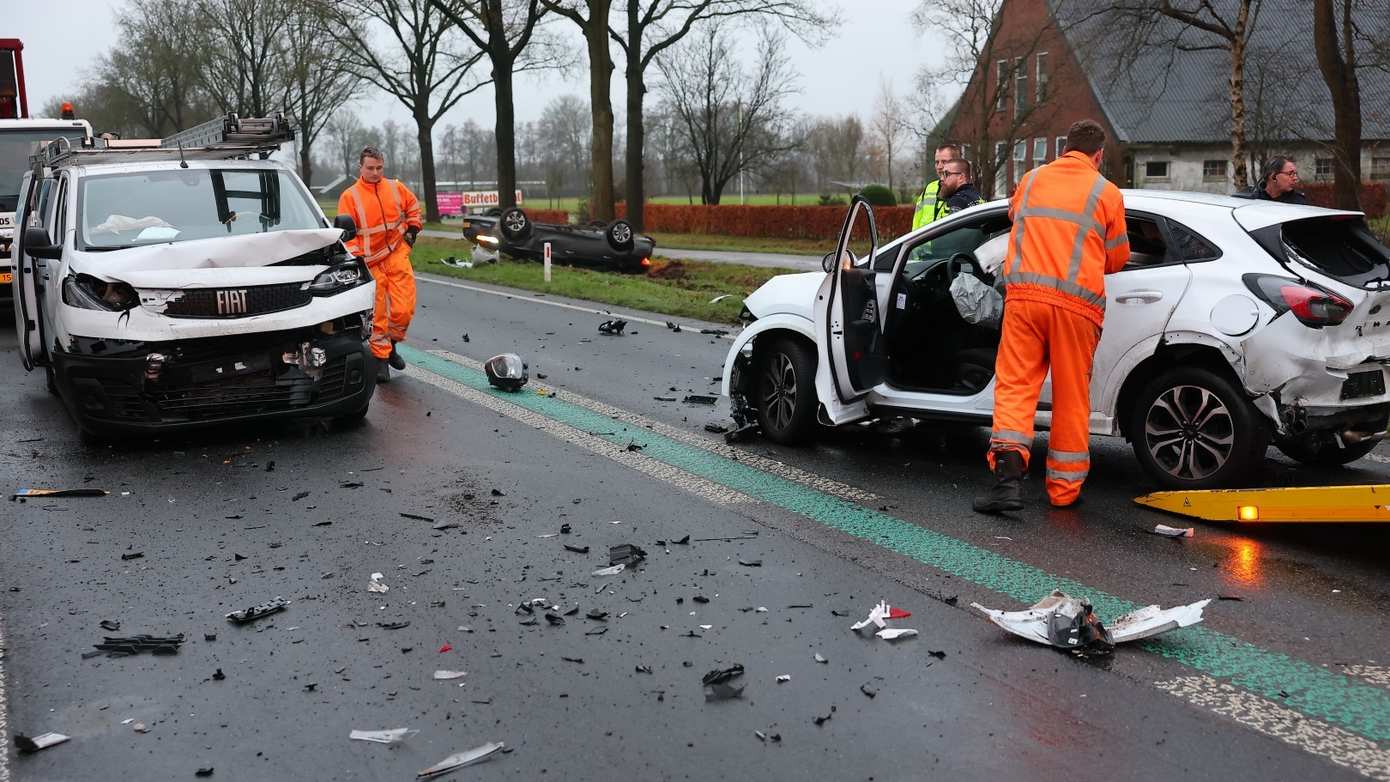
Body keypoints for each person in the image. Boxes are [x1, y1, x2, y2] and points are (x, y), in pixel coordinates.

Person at [973, 119, 1130, 514]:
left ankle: (1006, 481)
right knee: (1072, 399)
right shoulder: (1107, 193)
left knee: (1016, 387)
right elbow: (1117, 258)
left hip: (1025, 300)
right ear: (1097, 155)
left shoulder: (1032, 180)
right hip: (1077, 309)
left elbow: (1014, 217)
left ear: (1065, 149)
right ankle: (1063, 490)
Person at [338, 146, 423, 383]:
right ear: (360, 168)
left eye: (379, 168)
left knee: (404, 309)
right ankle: (381, 361)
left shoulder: (396, 188)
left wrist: (413, 229)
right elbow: (347, 233)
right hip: (370, 261)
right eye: (370, 168)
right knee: (378, 316)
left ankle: (392, 346)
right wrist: (357, 259)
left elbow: (413, 207)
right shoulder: (350, 196)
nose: (375, 172)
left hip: (396, 252)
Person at [911, 144, 962, 230]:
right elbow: (916, 224)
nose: (939, 166)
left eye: (944, 162)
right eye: (937, 162)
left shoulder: (964, 191)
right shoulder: (929, 189)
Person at [1235, 156, 1308, 204]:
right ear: (1273, 176)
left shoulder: (1299, 202)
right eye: (1290, 174)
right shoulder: (1251, 199)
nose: (1295, 178)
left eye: (1295, 174)